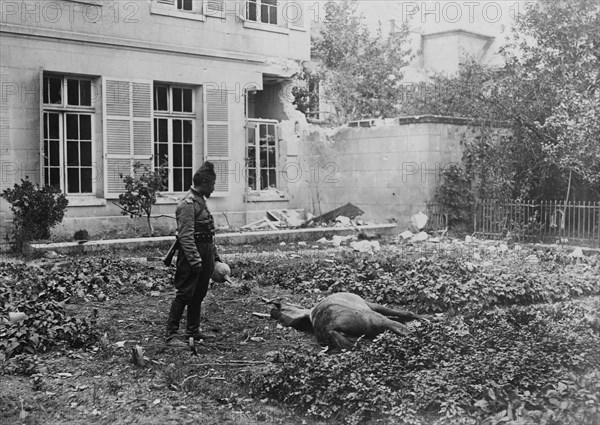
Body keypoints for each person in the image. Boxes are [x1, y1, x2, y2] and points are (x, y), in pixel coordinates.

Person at [166, 161, 221, 345]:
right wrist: (195, 261)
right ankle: (171, 335)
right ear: (204, 183)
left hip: (204, 253)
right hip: (192, 255)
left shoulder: (200, 202)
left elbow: (208, 234)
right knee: (184, 293)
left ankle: (193, 331)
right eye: (212, 185)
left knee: (199, 293)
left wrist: (214, 257)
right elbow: (186, 236)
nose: (213, 189)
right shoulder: (188, 204)